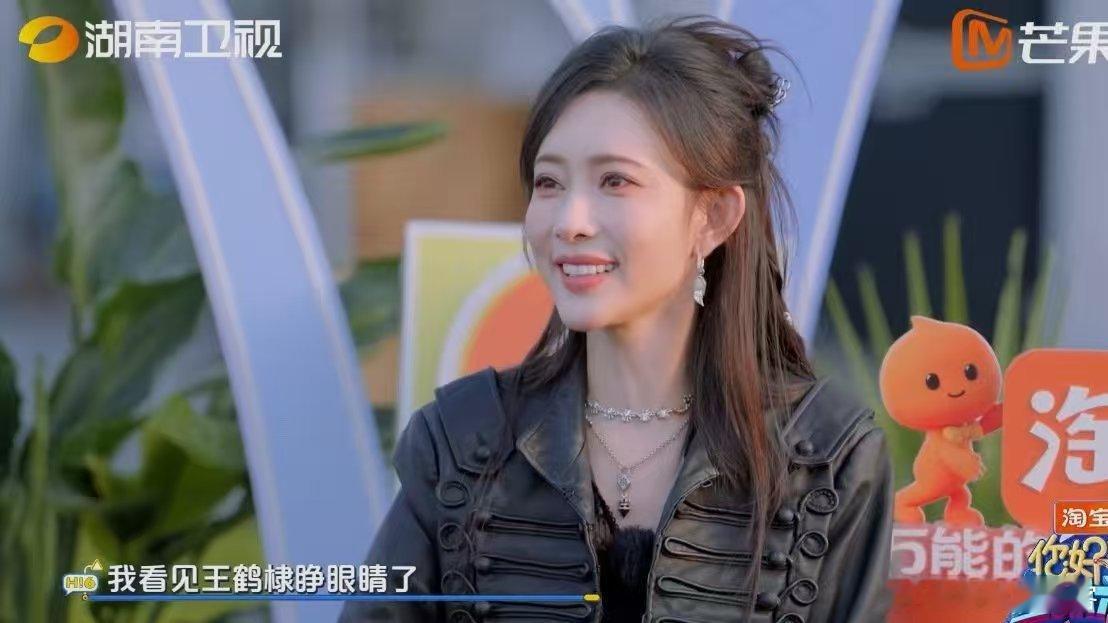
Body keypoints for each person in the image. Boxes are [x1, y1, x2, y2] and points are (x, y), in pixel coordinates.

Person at [340, 15, 894, 623]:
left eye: (615, 181)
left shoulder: (828, 458)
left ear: (713, 217)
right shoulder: (460, 441)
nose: (570, 221)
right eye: (549, 182)